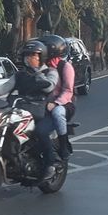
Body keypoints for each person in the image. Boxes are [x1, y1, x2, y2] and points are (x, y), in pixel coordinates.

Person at [5, 40, 59, 179]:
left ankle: (49, 165)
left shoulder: (50, 72)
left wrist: (37, 73)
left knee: (41, 132)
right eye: (27, 55)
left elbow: (49, 87)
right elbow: (4, 87)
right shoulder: (20, 75)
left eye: (33, 55)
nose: (29, 58)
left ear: (41, 57)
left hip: (43, 113)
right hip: (22, 110)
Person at [36, 34, 76, 162]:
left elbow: (68, 90)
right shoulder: (41, 67)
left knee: (57, 113)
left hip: (64, 104)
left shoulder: (65, 67)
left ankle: (64, 144)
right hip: (43, 104)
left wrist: (56, 103)